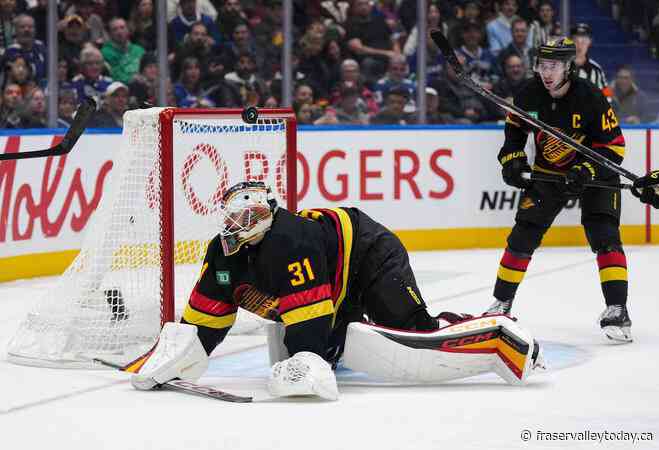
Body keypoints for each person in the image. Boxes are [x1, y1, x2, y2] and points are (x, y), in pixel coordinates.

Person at [128, 181, 543, 399]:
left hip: (367, 256)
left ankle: (498, 335)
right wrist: (171, 359)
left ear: (267, 213)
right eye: (233, 216)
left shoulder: (291, 242)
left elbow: (309, 326)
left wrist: (309, 357)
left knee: (415, 333)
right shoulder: (222, 253)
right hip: (335, 284)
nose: (238, 224)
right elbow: (203, 321)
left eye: (249, 214)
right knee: (330, 342)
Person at [486, 38, 632, 343]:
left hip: (593, 173)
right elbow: (514, 131)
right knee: (523, 234)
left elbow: (614, 147)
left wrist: (587, 170)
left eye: (553, 66)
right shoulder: (529, 92)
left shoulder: (590, 96)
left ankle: (617, 308)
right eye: (542, 65)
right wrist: (512, 161)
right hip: (550, 173)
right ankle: (501, 304)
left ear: (569, 67)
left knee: (604, 234)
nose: (546, 72)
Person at [570, 23, 612, 101]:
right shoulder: (561, 66)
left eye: (584, 41)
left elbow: (607, 95)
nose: (580, 46)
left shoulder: (596, 69)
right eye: (576, 41)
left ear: (589, 42)